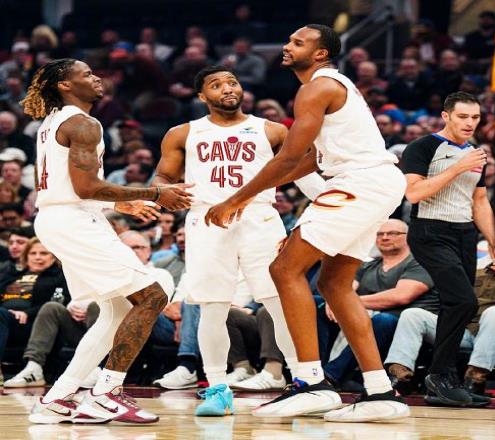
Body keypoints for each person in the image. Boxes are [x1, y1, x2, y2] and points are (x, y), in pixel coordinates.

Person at [205, 24, 410, 422]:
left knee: (285, 269)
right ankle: (380, 391)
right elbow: (310, 159)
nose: (287, 46)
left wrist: (235, 199)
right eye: (289, 40)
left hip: (359, 182)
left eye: (298, 42)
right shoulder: (331, 87)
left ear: (320, 54)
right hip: (373, 182)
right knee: (333, 284)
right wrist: (258, 189)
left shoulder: (317, 87)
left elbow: (287, 156)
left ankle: (312, 383)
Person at [21, 58, 192, 424]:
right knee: (152, 296)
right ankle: (106, 393)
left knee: (116, 309)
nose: (97, 78)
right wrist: (154, 193)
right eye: (86, 74)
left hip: (59, 217)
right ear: (65, 85)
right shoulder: (83, 123)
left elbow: (65, 186)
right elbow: (85, 186)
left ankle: (59, 396)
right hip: (74, 221)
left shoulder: (50, 123)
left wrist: (117, 202)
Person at [153, 65, 308, 417]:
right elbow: (163, 176)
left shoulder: (271, 129)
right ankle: (217, 388)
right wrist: (163, 192)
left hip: (260, 217)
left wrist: (324, 201)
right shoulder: (182, 133)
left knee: (279, 302)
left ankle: (303, 381)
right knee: (212, 306)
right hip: (207, 219)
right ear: (201, 95)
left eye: (233, 82)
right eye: (216, 85)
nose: (227, 89)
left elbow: (302, 170)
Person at [402, 91, 495, 407]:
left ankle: (444, 381)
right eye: (462, 116)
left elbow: (479, 201)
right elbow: (414, 193)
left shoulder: (475, 154)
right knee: (463, 301)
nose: (470, 123)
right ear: (446, 116)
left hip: (465, 232)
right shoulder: (422, 147)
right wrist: (457, 167)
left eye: (475, 117)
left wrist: (493, 243)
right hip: (430, 230)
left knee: (457, 305)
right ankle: (439, 376)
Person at [320, 219, 438, 387]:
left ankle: (331, 375)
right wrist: (334, 301)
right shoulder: (368, 265)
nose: (385, 237)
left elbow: (401, 296)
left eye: (392, 233)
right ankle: (314, 368)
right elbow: (345, 288)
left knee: (382, 320)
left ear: (408, 236)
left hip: (405, 325)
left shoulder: (419, 262)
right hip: (367, 316)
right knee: (317, 304)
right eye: (380, 234)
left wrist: (345, 302)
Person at [385, 265, 495, 405]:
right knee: (413, 314)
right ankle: (400, 377)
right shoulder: (474, 271)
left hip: (493, 334)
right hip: (462, 331)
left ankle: (475, 380)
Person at [0, 238, 70, 385]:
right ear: (26, 256)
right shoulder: (11, 276)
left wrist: (27, 313)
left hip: (33, 324)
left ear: (53, 257)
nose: (38, 257)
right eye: (33, 253)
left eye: (44, 253)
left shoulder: (59, 277)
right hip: (5, 318)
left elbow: (58, 303)